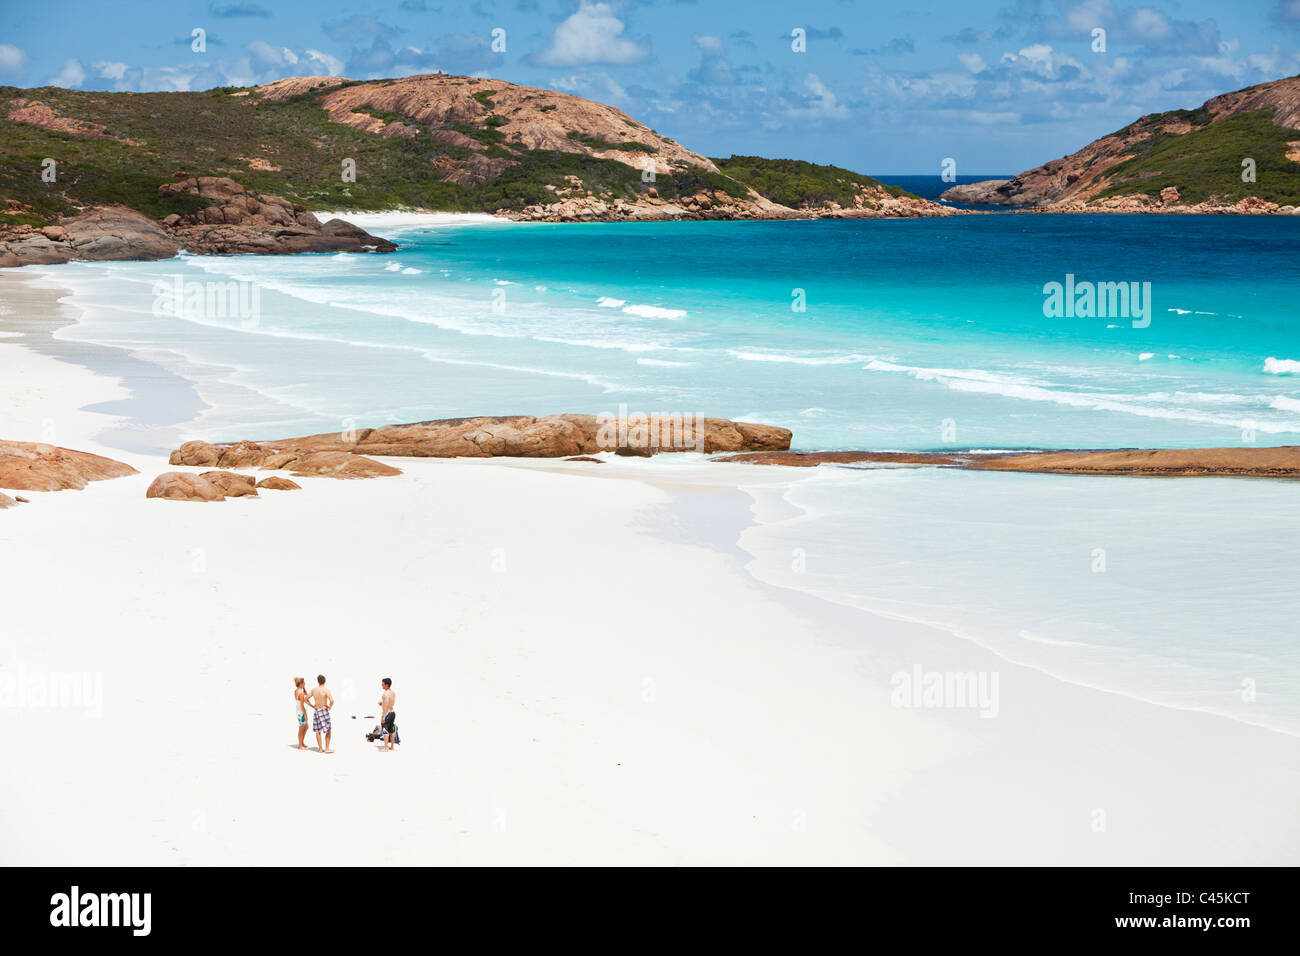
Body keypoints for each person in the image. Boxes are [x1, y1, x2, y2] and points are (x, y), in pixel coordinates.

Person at [308, 674, 334, 753]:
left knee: (318, 730)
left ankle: (320, 749)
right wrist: (329, 708)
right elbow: (332, 701)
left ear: (318, 681)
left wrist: (312, 706)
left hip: (317, 711)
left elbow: (306, 699)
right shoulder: (326, 690)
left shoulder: (314, 690)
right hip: (323, 710)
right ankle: (327, 748)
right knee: (328, 730)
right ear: (324, 681)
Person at [378, 678, 397, 752]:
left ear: (386, 685)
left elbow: (386, 705)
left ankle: (386, 748)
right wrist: (382, 704)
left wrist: (383, 716)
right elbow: (390, 702)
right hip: (392, 712)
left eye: (383, 684)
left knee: (385, 730)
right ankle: (392, 747)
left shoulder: (385, 694)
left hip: (387, 713)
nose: (381, 685)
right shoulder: (393, 692)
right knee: (391, 730)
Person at [293, 677, 310, 750]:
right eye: (304, 683)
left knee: (305, 727)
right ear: (301, 684)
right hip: (301, 711)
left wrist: (304, 688)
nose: (305, 684)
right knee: (302, 727)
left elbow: (306, 695)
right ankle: (300, 745)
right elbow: (302, 705)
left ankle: (301, 742)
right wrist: (305, 715)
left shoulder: (296, 691)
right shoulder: (301, 693)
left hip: (298, 710)